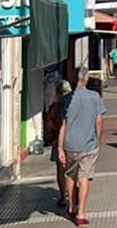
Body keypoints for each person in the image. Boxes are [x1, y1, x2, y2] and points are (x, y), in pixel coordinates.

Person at [58, 66, 107, 226]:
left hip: (70, 143)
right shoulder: (94, 97)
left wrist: (60, 148)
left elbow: (63, 125)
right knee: (84, 177)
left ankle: (71, 206)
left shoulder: (66, 99)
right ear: (86, 79)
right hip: (89, 144)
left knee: (70, 175)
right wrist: (98, 140)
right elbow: (99, 121)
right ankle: (81, 213)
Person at [48, 80, 73, 208]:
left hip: (58, 142)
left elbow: (50, 126)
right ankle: (73, 197)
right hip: (74, 141)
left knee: (61, 171)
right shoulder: (74, 104)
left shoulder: (54, 106)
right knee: (73, 170)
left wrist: (51, 139)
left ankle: (64, 196)